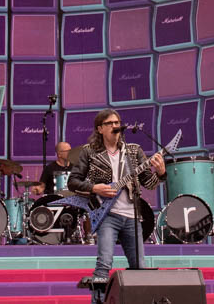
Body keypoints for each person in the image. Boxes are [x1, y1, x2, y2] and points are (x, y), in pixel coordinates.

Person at [68, 109, 165, 303]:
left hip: (132, 216)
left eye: (117, 122)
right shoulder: (89, 151)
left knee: (139, 267)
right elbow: (73, 182)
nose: (115, 126)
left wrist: (161, 173)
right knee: (104, 264)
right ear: (100, 129)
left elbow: (149, 183)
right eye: (110, 123)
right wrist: (94, 188)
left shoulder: (133, 151)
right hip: (106, 215)